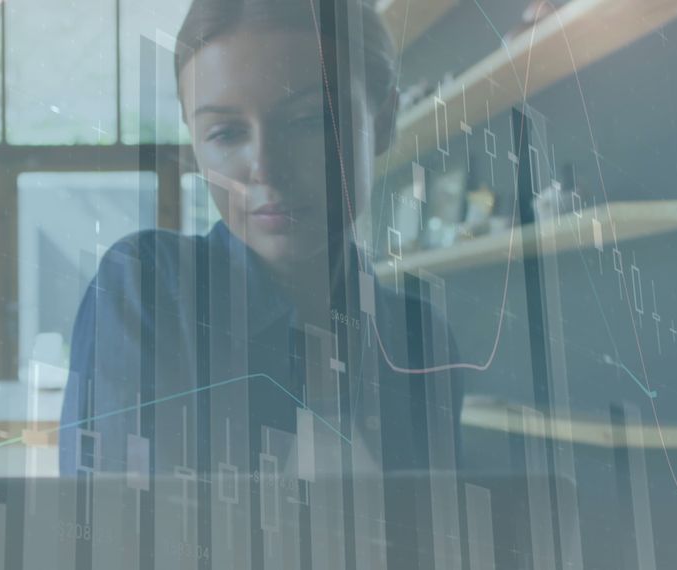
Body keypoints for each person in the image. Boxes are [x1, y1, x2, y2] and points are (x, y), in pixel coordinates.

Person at [60, 0, 462, 484]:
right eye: (226, 133)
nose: (265, 170)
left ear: (383, 122)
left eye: (309, 120)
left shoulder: (421, 338)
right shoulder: (147, 290)